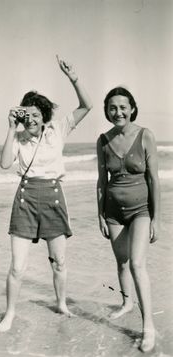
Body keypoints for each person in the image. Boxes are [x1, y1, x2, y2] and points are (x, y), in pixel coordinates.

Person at [0, 55, 92, 332]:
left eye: (37, 114)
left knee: (60, 262)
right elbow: (4, 164)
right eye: (28, 114)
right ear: (22, 115)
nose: (33, 119)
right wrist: (11, 128)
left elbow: (87, 106)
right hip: (26, 199)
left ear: (44, 115)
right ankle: (10, 313)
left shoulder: (57, 130)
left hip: (52, 196)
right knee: (17, 267)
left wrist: (73, 78)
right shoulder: (18, 136)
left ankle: (61, 303)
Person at [96, 87, 160, 353]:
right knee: (121, 263)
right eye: (112, 107)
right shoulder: (103, 140)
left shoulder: (145, 136)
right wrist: (99, 213)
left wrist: (157, 218)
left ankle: (148, 327)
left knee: (136, 264)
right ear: (107, 111)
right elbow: (102, 181)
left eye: (123, 107)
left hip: (140, 210)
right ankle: (126, 303)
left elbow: (154, 180)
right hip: (113, 212)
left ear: (132, 108)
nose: (118, 112)